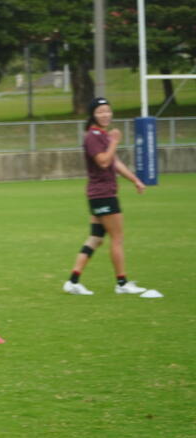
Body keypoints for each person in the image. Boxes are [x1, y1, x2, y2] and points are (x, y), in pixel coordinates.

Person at [63, 97, 150, 296]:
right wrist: (114, 142)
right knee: (117, 238)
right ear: (93, 115)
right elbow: (103, 161)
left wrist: (135, 180)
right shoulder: (93, 136)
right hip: (103, 195)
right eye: (100, 111)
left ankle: (73, 281)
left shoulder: (102, 135)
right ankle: (122, 283)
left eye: (108, 110)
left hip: (100, 195)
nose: (105, 114)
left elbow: (115, 163)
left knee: (96, 238)